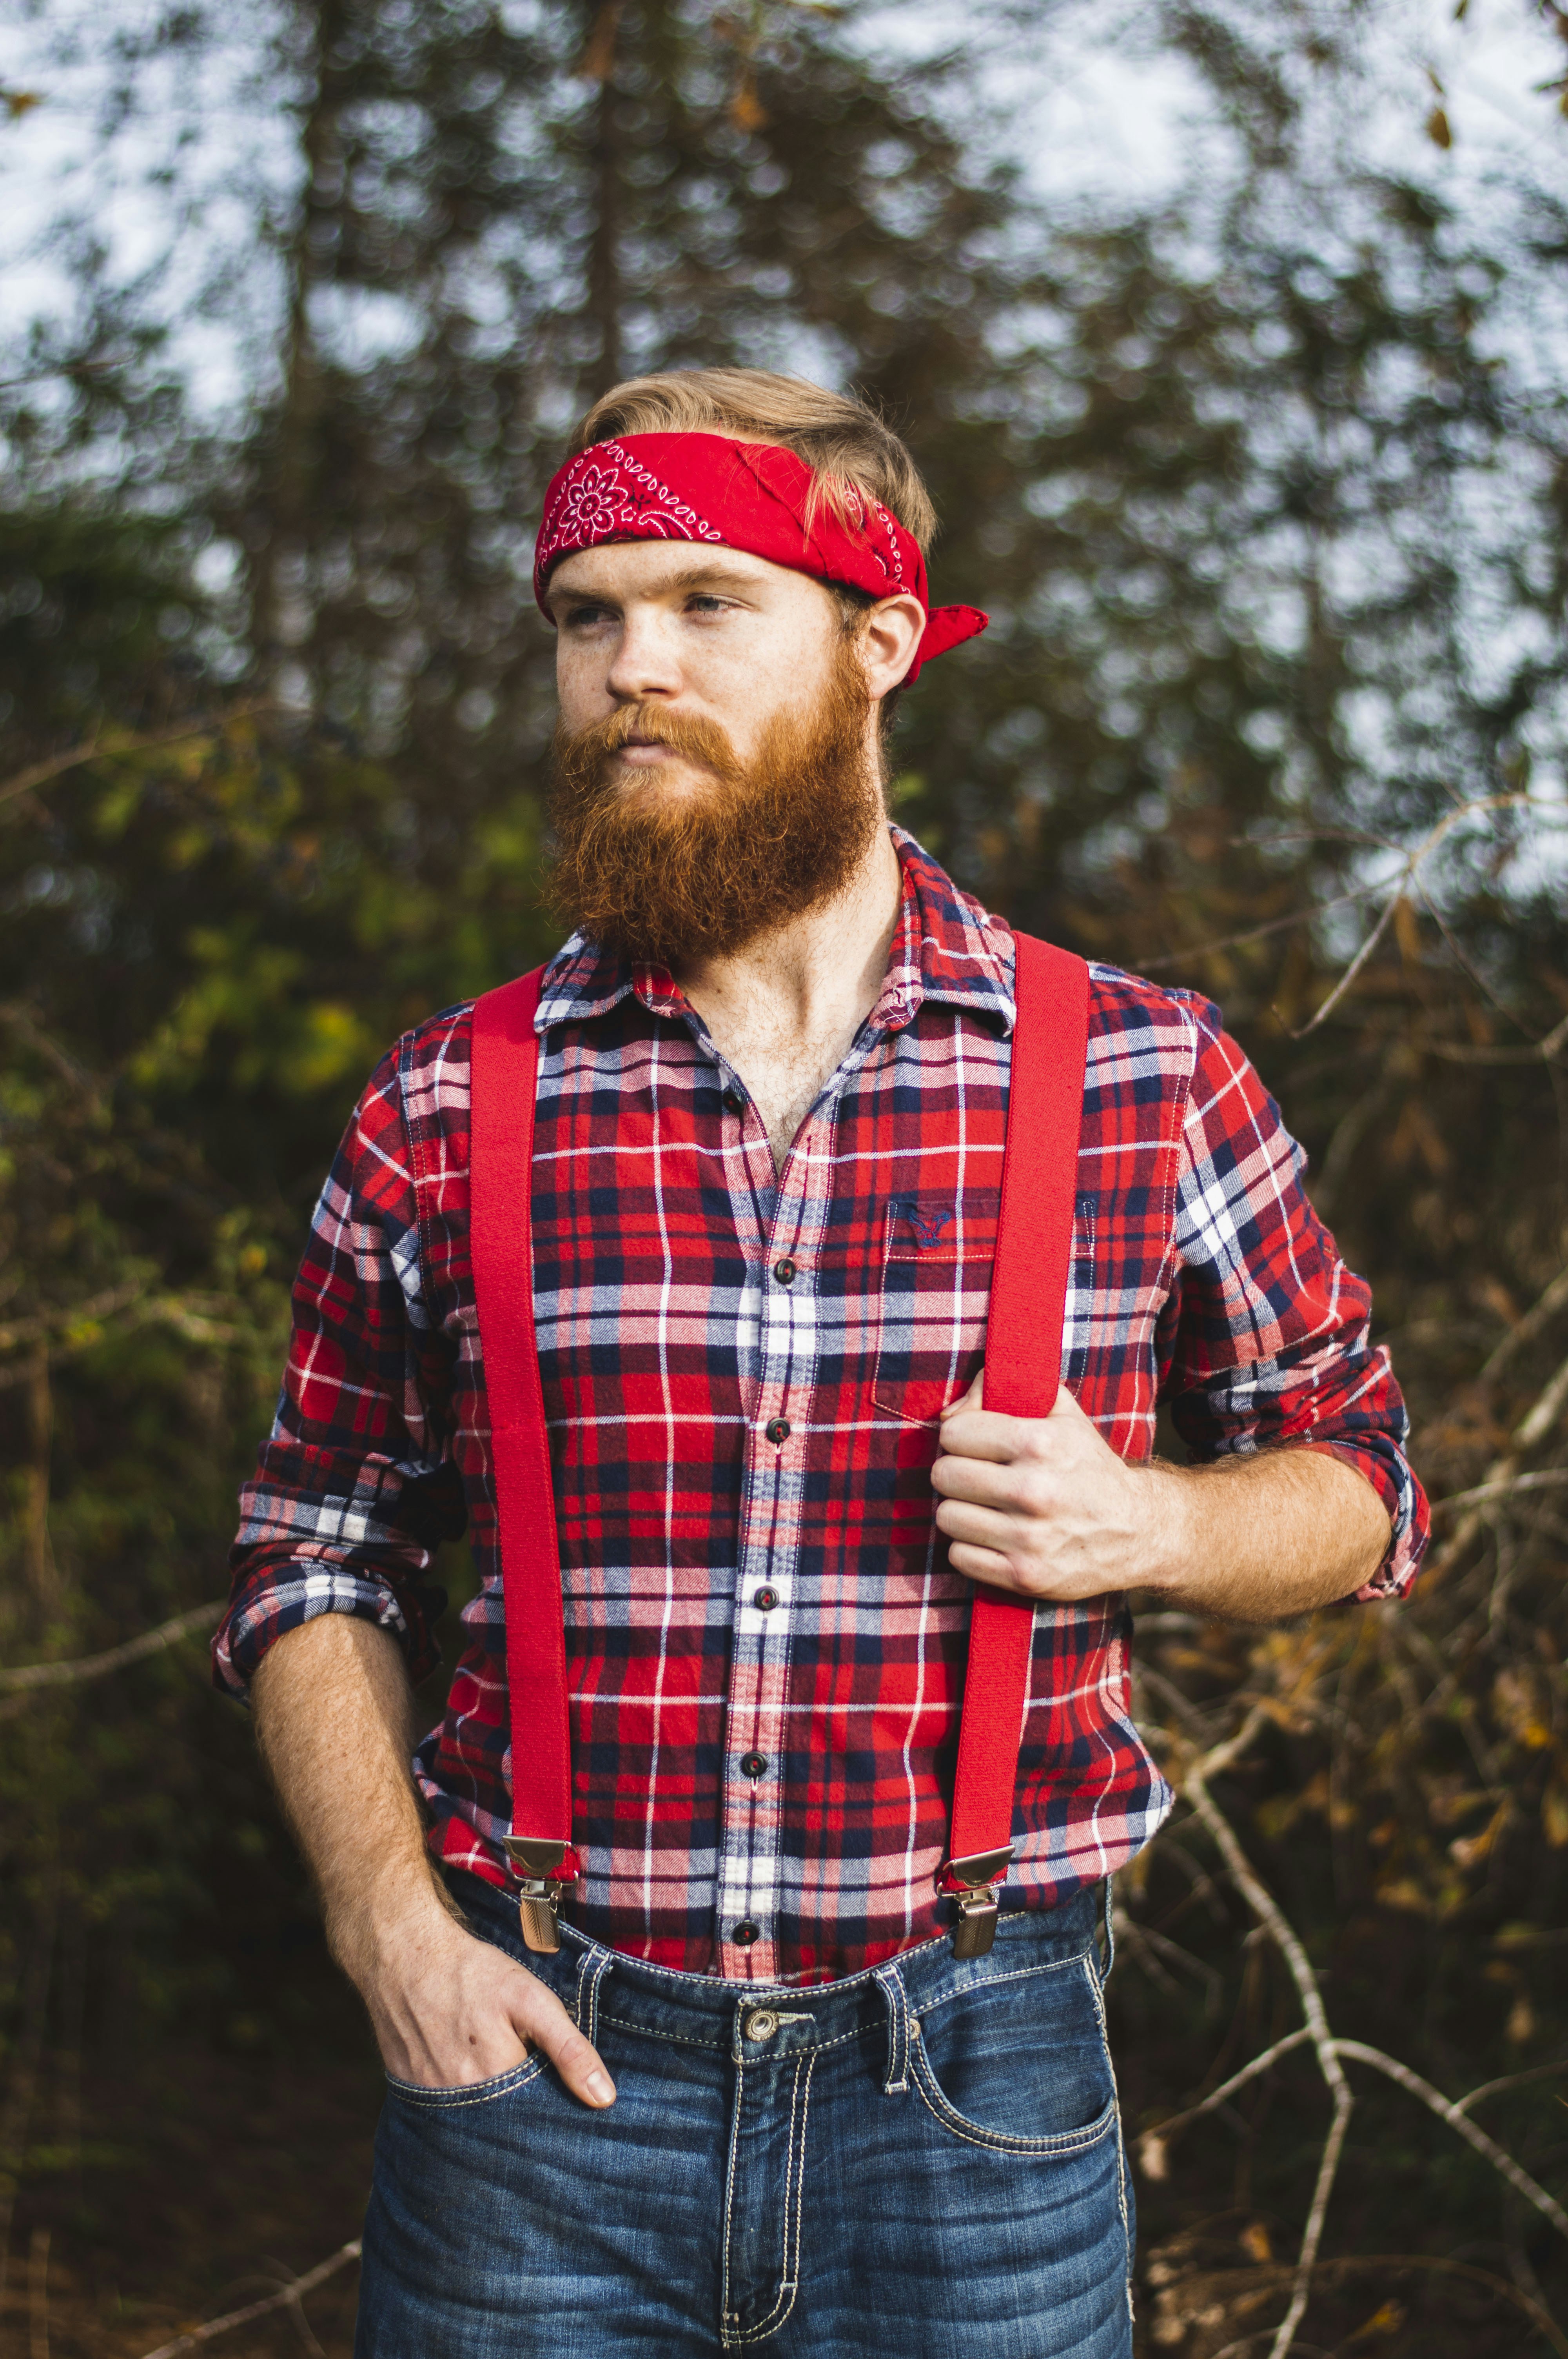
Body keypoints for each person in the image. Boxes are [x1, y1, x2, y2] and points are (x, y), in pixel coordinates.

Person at [216, 368, 1427, 2359]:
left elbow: (1365, 1478)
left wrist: (1156, 1520)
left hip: (976, 2096)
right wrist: (384, 1930)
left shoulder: (1135, 1071)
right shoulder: (449, 1105)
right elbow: (314, 1548)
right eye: (586, 616)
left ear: (876, 646)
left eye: (705, 603)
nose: (630, 667)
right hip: (531, 2082)